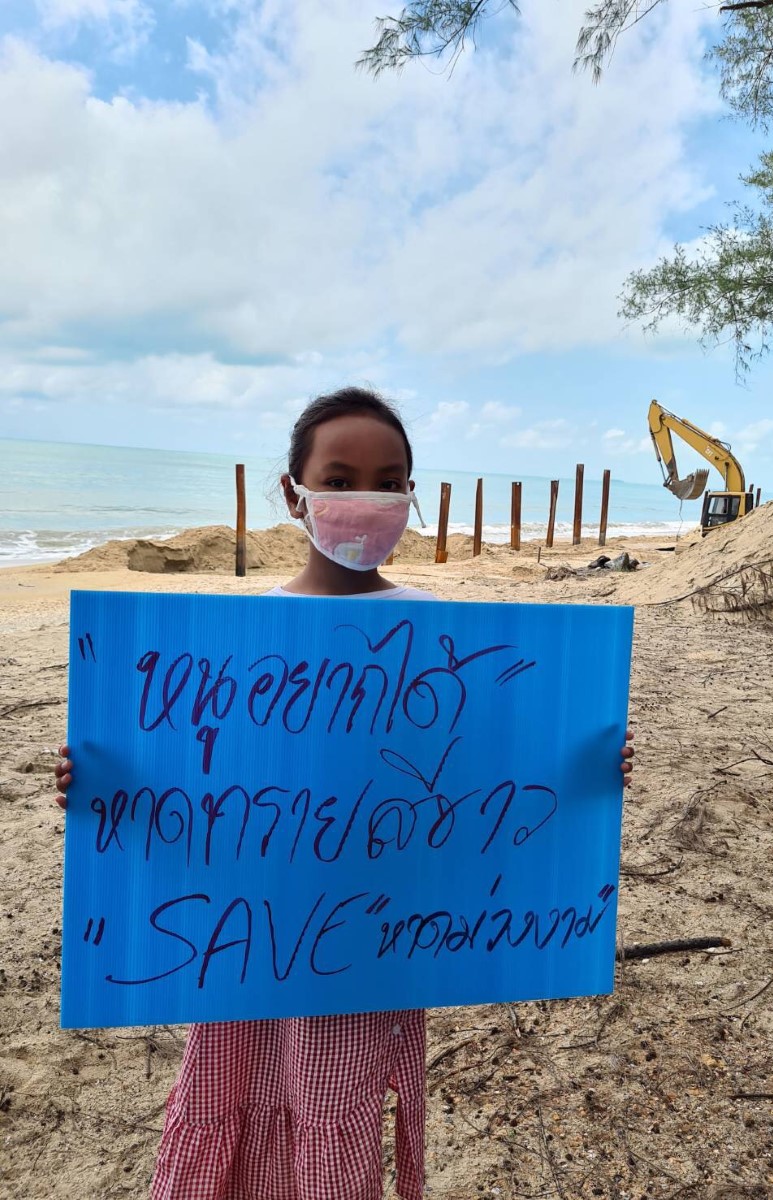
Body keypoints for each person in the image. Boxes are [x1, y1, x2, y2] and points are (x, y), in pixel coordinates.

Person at [54, 386, 635, 1200]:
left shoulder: (445, 636)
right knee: (230, 1109)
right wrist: (98, 784)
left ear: (411, 494)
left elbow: (492, 777)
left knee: (337, 1129)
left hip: (369, 948)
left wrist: (589, 769)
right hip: (241, 945)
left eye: (388, 478)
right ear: (294, 492)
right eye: (340, 476)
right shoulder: (240, 642)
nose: (365, 497)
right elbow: (194, 791)